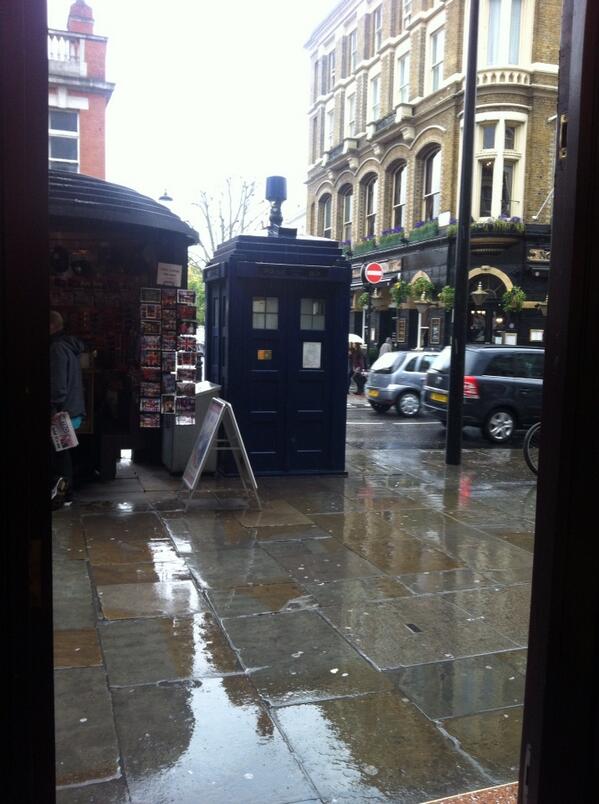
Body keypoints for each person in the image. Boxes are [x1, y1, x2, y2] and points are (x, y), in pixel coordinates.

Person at [50, 311, 86, 508]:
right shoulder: (68, 347)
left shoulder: (56, 349)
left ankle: (63, 494)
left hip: (62, 412)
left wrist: (53, 408)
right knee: (63, 453)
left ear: (52, 326)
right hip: (71, 410)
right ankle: (66, 493)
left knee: (59, 455)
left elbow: (57, 386)